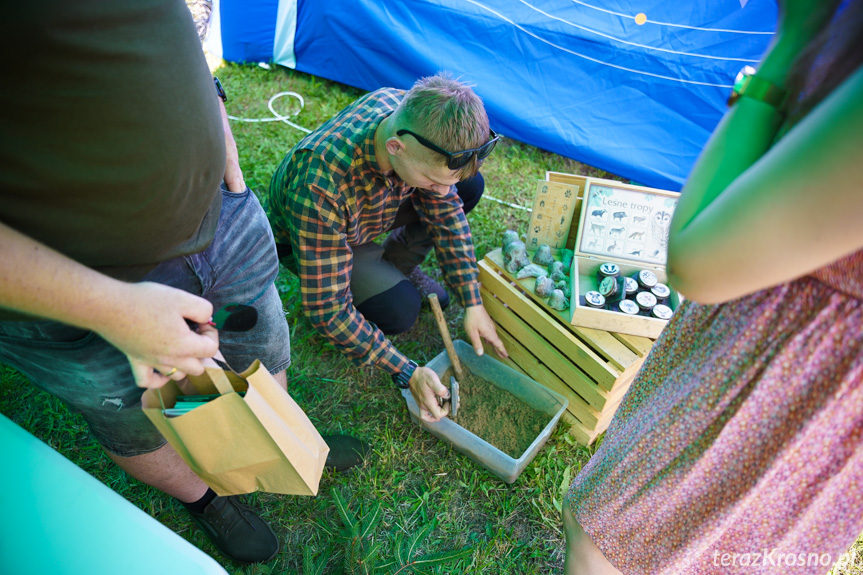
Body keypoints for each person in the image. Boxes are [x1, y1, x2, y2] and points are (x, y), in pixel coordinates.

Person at [563, 0, 863, 573]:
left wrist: (790, 45)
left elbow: (696, 259)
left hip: (788, 379)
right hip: (762, 337)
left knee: (608, 539)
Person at [0, 0, 290, 564]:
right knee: (134, 412)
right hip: (66, 302)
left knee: (261, 342)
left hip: (221, 221)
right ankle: (207, 499)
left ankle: (279, 440)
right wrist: (109, 308)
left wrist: (228, 169)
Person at [266, 72, 508, 421]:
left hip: (372, 210)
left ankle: (397, 265)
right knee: (399, 310)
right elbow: (328, 311)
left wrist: (471, 299)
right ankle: (385, 276)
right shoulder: (319, 184)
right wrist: (406, 370)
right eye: (432, 181)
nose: (441, 191)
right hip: (323, 237)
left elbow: (446, 207)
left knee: (467, 187)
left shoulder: (417, 118)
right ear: (395, 147)